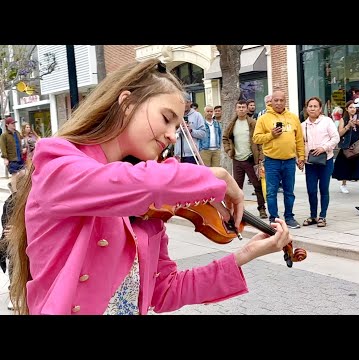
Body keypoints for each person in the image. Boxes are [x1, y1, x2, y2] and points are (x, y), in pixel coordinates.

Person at [5, 59, 293, 315]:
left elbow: (164, 290)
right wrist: (217, 177)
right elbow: (143, 182)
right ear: (127, 102)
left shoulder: (146, 210)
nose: (171, 135)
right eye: (167, 118)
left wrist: (246, 254)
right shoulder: (58, 162)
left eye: (178, 126)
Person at [253, 90, 305, 228]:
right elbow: (256, 138)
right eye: (276, 100)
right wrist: (271, 135)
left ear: (285, 101)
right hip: (272, 161)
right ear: (271, 102)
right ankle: (274, 219)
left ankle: (289, 217)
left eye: (281, 100)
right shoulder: (263, 118)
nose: (279, 103)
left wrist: (301, 157)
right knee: (271, 192)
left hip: (289, 161)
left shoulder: (293, 117)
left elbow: (299, 139)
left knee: (289, 191)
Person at [222, 100, 267, 219]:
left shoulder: (253, 123)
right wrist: (228, 150)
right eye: (239, 107)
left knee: (257, 185)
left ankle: (262, 208)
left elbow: (260, 141)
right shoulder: (232, 124)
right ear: (236, 109)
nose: (241, 109)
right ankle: (238, 211)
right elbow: (225, 138)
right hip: (237, 160)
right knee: (237, 187)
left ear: (247, 109)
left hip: (251, 159)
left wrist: (260, 155)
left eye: (243, 107)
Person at [301, 97, 340, 227]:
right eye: (310, 106)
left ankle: (322, 216)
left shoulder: (327, 121)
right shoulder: (303, 125)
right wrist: (300, 158)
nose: (312, 109)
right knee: (311, 190)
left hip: (326, 161)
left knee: (324, 189)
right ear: (306, 109)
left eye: (315, 106)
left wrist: (323, 148)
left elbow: (336, 138)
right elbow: (300, 144)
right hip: (310, 163)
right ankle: (313, 216)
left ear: (320, 108)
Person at [332, 100, 359, 195]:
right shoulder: (343, 120)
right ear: (347, 109)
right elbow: (339, 134)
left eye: (354, 107)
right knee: (345, 167)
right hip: (347, 147)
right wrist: (348, 126)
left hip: (358, 146)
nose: (353, 109)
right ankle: (343, 184)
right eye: (351, 107)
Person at [174, 98, 206, 164]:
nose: (184, 104)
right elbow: (170, 134)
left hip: (192, 154)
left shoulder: (197, 115)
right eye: (182, 102)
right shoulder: (176, 115)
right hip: (178, 155)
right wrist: (179, 129)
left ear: (190, 103)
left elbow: (203, 134)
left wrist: (191, 131)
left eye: (186, 102)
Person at [0, 117, 26, 193]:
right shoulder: (4, 135)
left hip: (19, 156)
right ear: (7, 125)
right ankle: (14, 191)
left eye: (14, 123)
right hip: (11, 158)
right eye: (12, 123)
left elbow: (21, 141)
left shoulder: (17, 133)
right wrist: (5, 158)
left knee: (24, 173)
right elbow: (3, 147)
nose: (14, 124)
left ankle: (12, 184)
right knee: (14, 174)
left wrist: (22, 149)